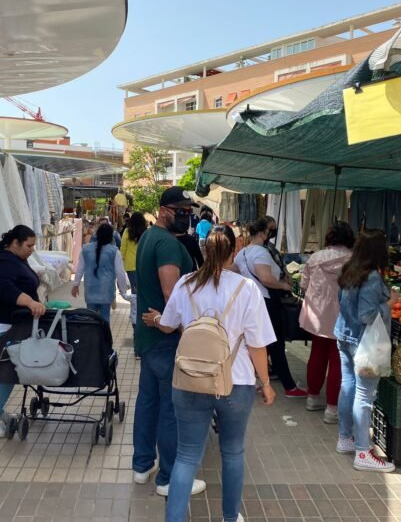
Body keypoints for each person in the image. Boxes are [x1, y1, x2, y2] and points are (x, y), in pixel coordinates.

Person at [143, 227, 276, 522]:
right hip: (236, 383)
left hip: (190, 380)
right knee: (232, 453)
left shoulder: (186, 283)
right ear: (233, 253)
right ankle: (230, 517)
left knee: (187, 456)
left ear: (205, 251)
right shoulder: (246, 289)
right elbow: (257, 345)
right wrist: (265, 383)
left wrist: (154, 319)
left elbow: (167, 325)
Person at [132, 186, 205, 497]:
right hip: (166, 338)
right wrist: (176, 327)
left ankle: (142, 466)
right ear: (164, 210)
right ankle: (169, 477)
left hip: (149, 338)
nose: (186, 215)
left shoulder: (150, 237)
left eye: (189, 210)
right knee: (171, 409)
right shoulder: (167, 245)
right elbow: (171, 295)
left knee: (148, 402)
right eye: (181, 210)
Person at [0, 225, 46, 438]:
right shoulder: (4, 263)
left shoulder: (8, 257)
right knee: (6, 372)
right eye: (29, 245)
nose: (32, 249)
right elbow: (5, 288)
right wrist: (31, 302)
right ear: (15, 243)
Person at [334, 228, 397, 472]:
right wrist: (389, 303)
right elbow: (366, 315)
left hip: (343, 335)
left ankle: (345, 438)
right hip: (362, 341)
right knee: (364, 395)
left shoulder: (350, 270)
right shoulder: (371, 277)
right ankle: (362, 451)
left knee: (348, 386)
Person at [235, 217, 307, 398]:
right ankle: (288, 386)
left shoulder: (242, 253)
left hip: (250, 303)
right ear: (262, 232)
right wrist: (284, 286)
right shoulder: (260, 253)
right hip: (266, 302)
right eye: (270, 230)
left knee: (262, 344)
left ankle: (261, 381)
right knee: (275, 344)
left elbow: (234, 274)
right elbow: (266, 278)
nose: (271, 233)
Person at [298, 221, 355, 423]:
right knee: (338, 361)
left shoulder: (315, 257)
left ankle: (313, 398)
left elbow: (304, 284)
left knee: (317, 354)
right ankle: (332, 409)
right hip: (343, 315)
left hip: (317, 315)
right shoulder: (353, 260)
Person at [71, 223, 128, 322]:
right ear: (111, 236)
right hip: (106, 291)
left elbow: (80, 269)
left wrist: (76, 285)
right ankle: (104, 337)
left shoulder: (85, 249)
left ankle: (92, 337)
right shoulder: (114, 251)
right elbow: (120, 273)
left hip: (90, 290)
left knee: (90, 319)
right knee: (105, 319)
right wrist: (123, 290)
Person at [120, 211, 147, 293]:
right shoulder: (146, 232)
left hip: (130, 265)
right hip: (144, 263)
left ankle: (135, 305)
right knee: (144, 288)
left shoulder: (127, 232)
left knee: (134, 289)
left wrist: (121, 261)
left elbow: (123, 248)